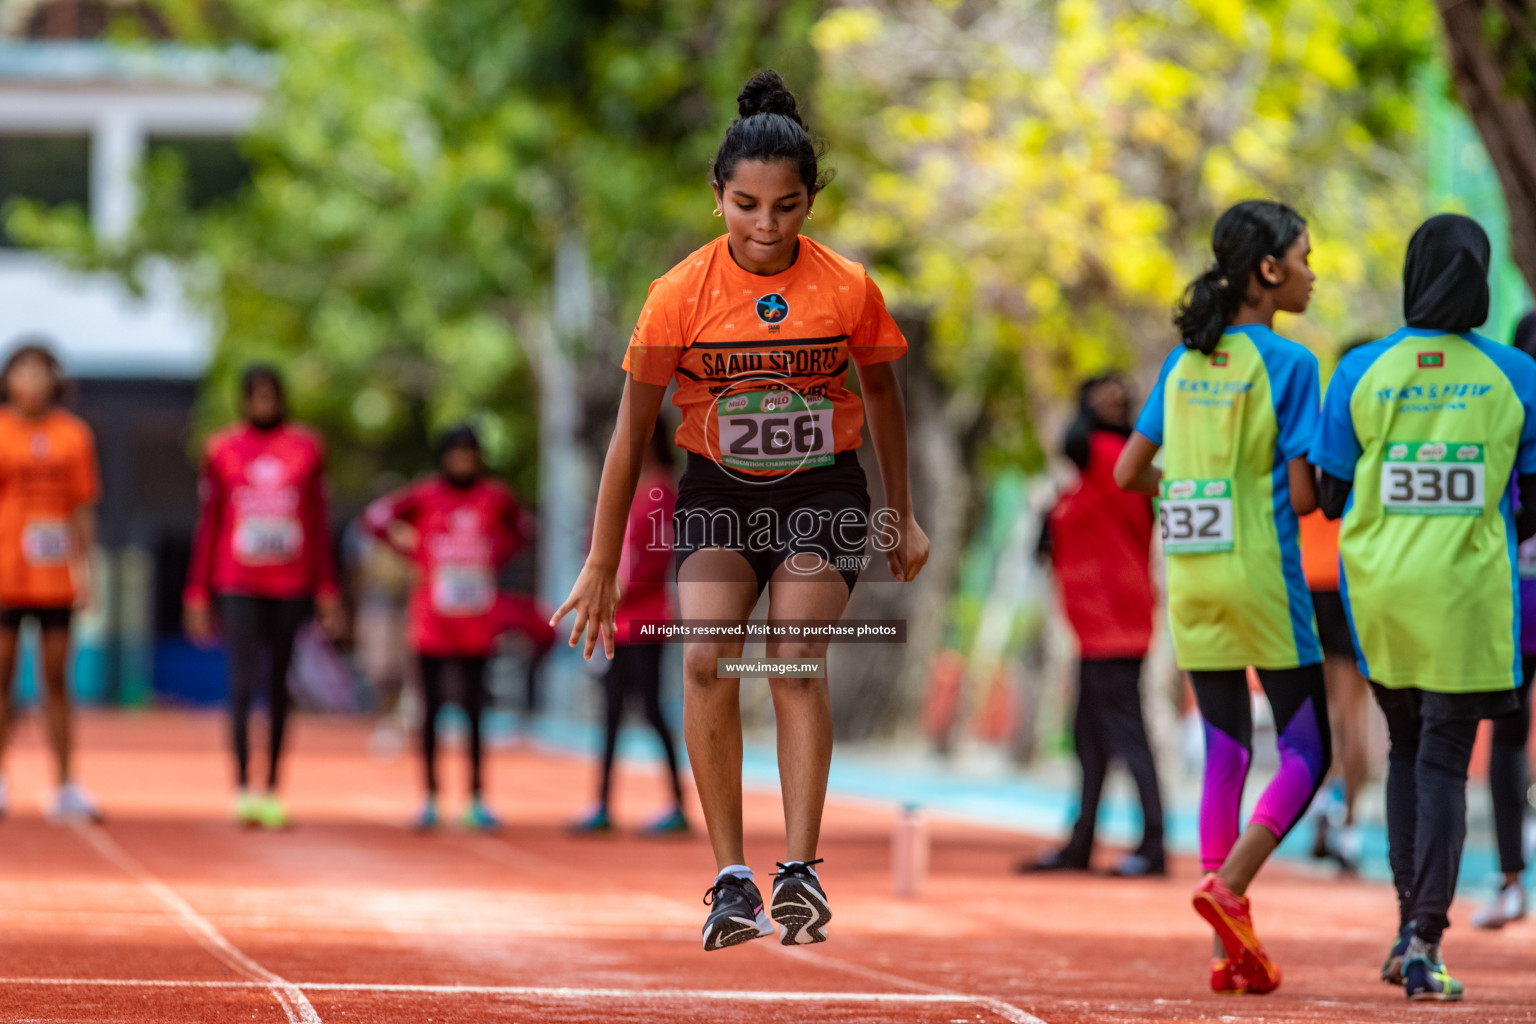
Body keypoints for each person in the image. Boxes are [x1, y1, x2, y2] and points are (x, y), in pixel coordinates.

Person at [551, 69, 928, 952]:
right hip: (719, 492)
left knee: (795, 660)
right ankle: (730, 878)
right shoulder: (677, 295)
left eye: (788, 207)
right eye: (748, 205)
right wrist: (603, 561)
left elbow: (884, 403)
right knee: (707, 660)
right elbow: (627, 437)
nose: (766, 227)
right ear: (718, 195)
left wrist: (900, 514)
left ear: (810, 201)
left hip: (821, 491)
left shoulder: (847, 288)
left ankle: (798, 872)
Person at [1310, 214, 1536, 1001]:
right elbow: (1533, 500)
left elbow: (1331, 495)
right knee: (1443, 756)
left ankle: (1408, 926)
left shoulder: (1361, 370)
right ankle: (1424, 943)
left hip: (1378, 590)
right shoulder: (1517, 374)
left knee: (1407, 750)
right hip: (1466, 593)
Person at [1115, 200, 1330, 996]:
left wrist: (1189, 488)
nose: (1314, 271)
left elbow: (1128, 473)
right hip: (1263, 574)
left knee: (1227, 749)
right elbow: (1305, 499)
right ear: (1268, 271)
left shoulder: (1184, 360)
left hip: (1193, 571)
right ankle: (1230, 885)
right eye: (1306, 257)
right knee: (1312, 752)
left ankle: (1224, 952)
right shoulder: (1290, 363)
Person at [184, 365, 343, 829]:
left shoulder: (306, 449)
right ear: (244, 400)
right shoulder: (222, 449)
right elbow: (210, 522)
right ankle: (241, 787)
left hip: (291, 583)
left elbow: (316, 523)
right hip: (238, 581)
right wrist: (198, 591)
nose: (263, 403)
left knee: (279, 683)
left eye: (271, 394)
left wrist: (327, 590)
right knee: (240, 679)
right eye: (254, 395)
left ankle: (272, 787)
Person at [1023, 373, 1165, 877]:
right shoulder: (1113, 460)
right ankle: (1082, 843)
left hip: (1114, 619)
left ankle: (1153, 845)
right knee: (1089, 737)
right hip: (1101, 621)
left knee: (1127, 736)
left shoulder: (1106, 457)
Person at [364, 425, 533, 831]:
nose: (462, 461)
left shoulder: (494, 497)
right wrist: (412, 550)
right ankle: (430, 798)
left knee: (475, 711)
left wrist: (495, 556)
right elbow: (375, 520)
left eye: (469, 453)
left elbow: (523, 531)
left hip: (476, 625)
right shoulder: (425, 495)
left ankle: (475, 797)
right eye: (455, 453)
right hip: (432, 625)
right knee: (432, 712)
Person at [0, 342, 100, 823]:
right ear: (8, 380)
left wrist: (88, 572)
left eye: (41, 371)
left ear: (54, 380)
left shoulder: (73, 436)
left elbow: (82, 508)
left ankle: (65, 784)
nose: (32, 381)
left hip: (56, 578)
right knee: (0, 679)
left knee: (57, 679)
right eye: (23, 371)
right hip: (6, 573)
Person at [571, 425, 688, 835]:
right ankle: (601, 804)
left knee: (653, 710)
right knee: (611, 711)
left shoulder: (660, 493)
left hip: (646, 620)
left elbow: (657, 558)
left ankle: (677, 804)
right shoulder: (616, 492)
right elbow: (595, 548)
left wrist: (615, 591)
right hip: (614, 622)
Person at [1471, 309, 1536, 931]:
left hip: (1513, 597)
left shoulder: (1504, 397)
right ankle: (1512, 878)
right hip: (1515, 597)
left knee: (1509, 735)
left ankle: (1512, 880)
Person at [1298, 506, 1369, 874]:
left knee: (1325, 709)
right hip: (1350, 571)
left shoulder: (1307, 446)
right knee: (1352, 712)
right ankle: (1349, 830)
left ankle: (1325, 806)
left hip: (1311, 572)